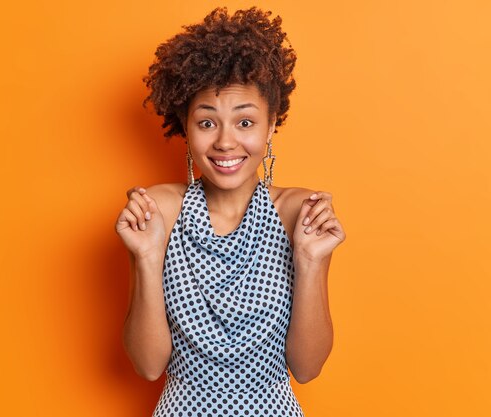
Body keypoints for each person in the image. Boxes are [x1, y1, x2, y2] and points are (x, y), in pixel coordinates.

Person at [115, 6, 346, 416]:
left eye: (244, 122)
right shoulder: (159, 210)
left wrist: (310, 260)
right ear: (185, 125)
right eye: (207, 123)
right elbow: (148, 366)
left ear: (271, 124)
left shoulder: (299, 212)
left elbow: (307, 369)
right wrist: (148, 257)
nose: (225, 142)